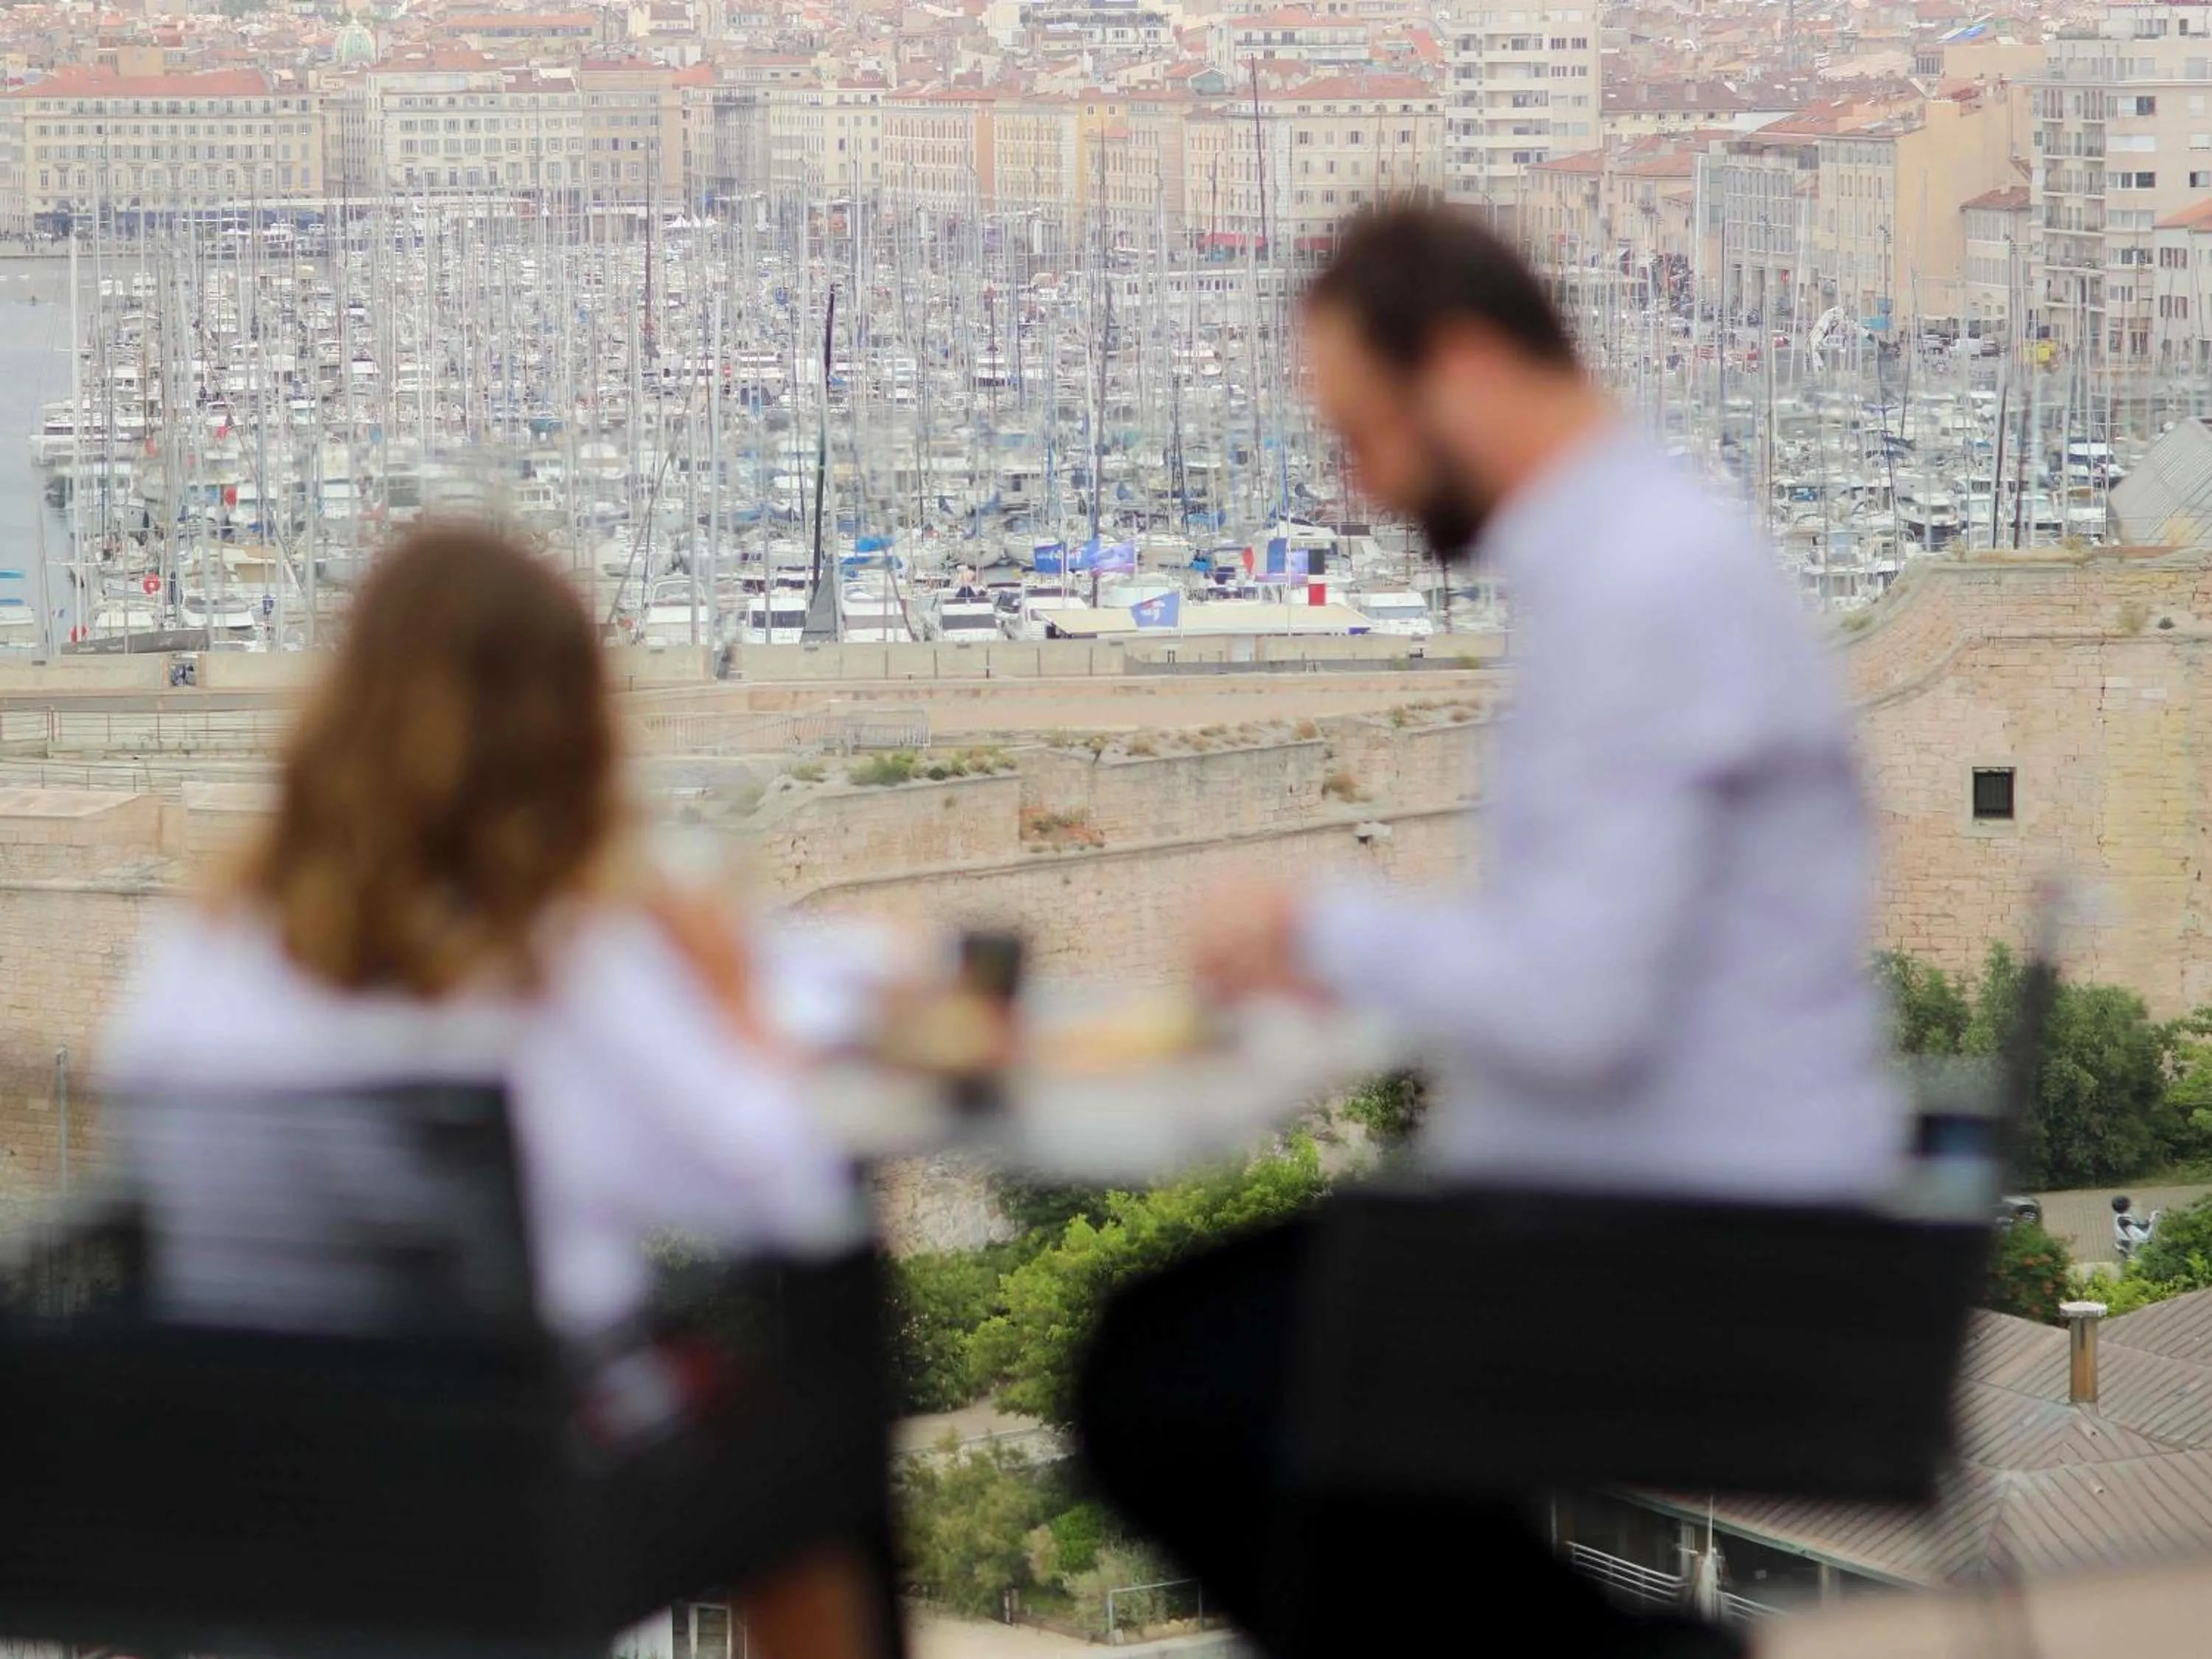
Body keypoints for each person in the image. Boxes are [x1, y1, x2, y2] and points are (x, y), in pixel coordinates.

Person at [1074, 205, 1908, 1657]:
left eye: (1361, 433)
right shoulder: (1636, 555)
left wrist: (1313, 928)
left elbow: (1576, 1008)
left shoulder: (1640, 588)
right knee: (1234, 1398)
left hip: (1691, 1239)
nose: (1360, 484)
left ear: (1457, 368)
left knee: (1168, 1386)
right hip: (1661, 1201)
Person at [101, 521, 899, 1659]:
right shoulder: (561, 964)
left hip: (263, 1486)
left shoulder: (196, 952)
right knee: (816, 1439)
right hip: (517, 1493)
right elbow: (786, 1193)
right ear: (570, 731)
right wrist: (731, 1004)